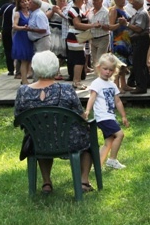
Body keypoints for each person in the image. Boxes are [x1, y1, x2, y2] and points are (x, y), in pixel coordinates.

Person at [14, 51, 94, 194]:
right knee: (88, 136)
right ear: (56, 68)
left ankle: (46, 183)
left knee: (40, 135)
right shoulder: (67, 89)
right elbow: (82, 117)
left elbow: (19, 118)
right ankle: (83, 181)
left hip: (38, 142)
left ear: (35, 67)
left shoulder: (23, 91)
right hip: (69, 141)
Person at [84, 53, 129, 169]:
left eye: (110, 70)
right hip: (103, 117)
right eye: (105, 69)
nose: (107, 72)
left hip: (110, 116)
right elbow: (92, 98)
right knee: (120, 135)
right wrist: (88, 110)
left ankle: (97, 166)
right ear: (99, 68)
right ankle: (112, 160)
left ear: (114, 71)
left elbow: (118, 101)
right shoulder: (96, 83)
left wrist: (123, 116)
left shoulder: (112, 85)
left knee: (109, 142)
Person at [66, 0, 101, 90]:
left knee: (79, 59)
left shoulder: (79, 9)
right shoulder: (74, 10)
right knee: (79, 60)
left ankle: (76, 81)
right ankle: (77, 81)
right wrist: (93, 25)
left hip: (78, 38)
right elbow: (77, 24)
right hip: (75, 37)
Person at [121, 0, 150, 94]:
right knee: (141, 62)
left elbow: (139, 29)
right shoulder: (139, 13)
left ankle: (141, 86)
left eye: (134, 1)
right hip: (139, 40)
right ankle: (147, 82)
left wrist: (126, 24)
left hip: (141, 40)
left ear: (139, 3)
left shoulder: (141, 14)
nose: (132, 3)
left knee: (138, 63)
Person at [108, 0, 133, 93]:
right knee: (118, 63)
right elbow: (110, 26)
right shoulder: (114, 10)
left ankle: (124, 84)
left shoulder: (125, 9)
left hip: (126, 39)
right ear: (116, 0)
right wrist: (119, 24)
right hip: (118, 40)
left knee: (124, 64)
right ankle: (116, 85)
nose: (123, 0)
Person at [0, 0, 18, 75]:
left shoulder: (6, 6)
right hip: (18, 29)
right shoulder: (21, 8)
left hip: (7, 30)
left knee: (8, 49)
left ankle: (11, 69)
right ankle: (19, 68)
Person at [11, 0, 34, 84]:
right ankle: (24, 80)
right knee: (24, 60)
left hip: (29, 37)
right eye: (22, 2)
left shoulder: (30, 12)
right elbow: (14, 25)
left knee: (29, 60)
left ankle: (26, 77)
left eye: (26, 1)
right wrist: (22, 28)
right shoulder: (18, 13)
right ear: (19, 4)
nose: (25, 3)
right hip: (21, 37)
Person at [88, 0, 110, 67]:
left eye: (96, 1)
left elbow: (108, 27)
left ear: (101, 1)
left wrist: (101, 25)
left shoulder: (106, 12)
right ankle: (97, 76)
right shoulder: (90, 11)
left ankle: (101, 76)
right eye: (93, 0)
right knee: (94, 60)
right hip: (92, 38)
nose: (93, 2)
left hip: (103, 38)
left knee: (100, 58)